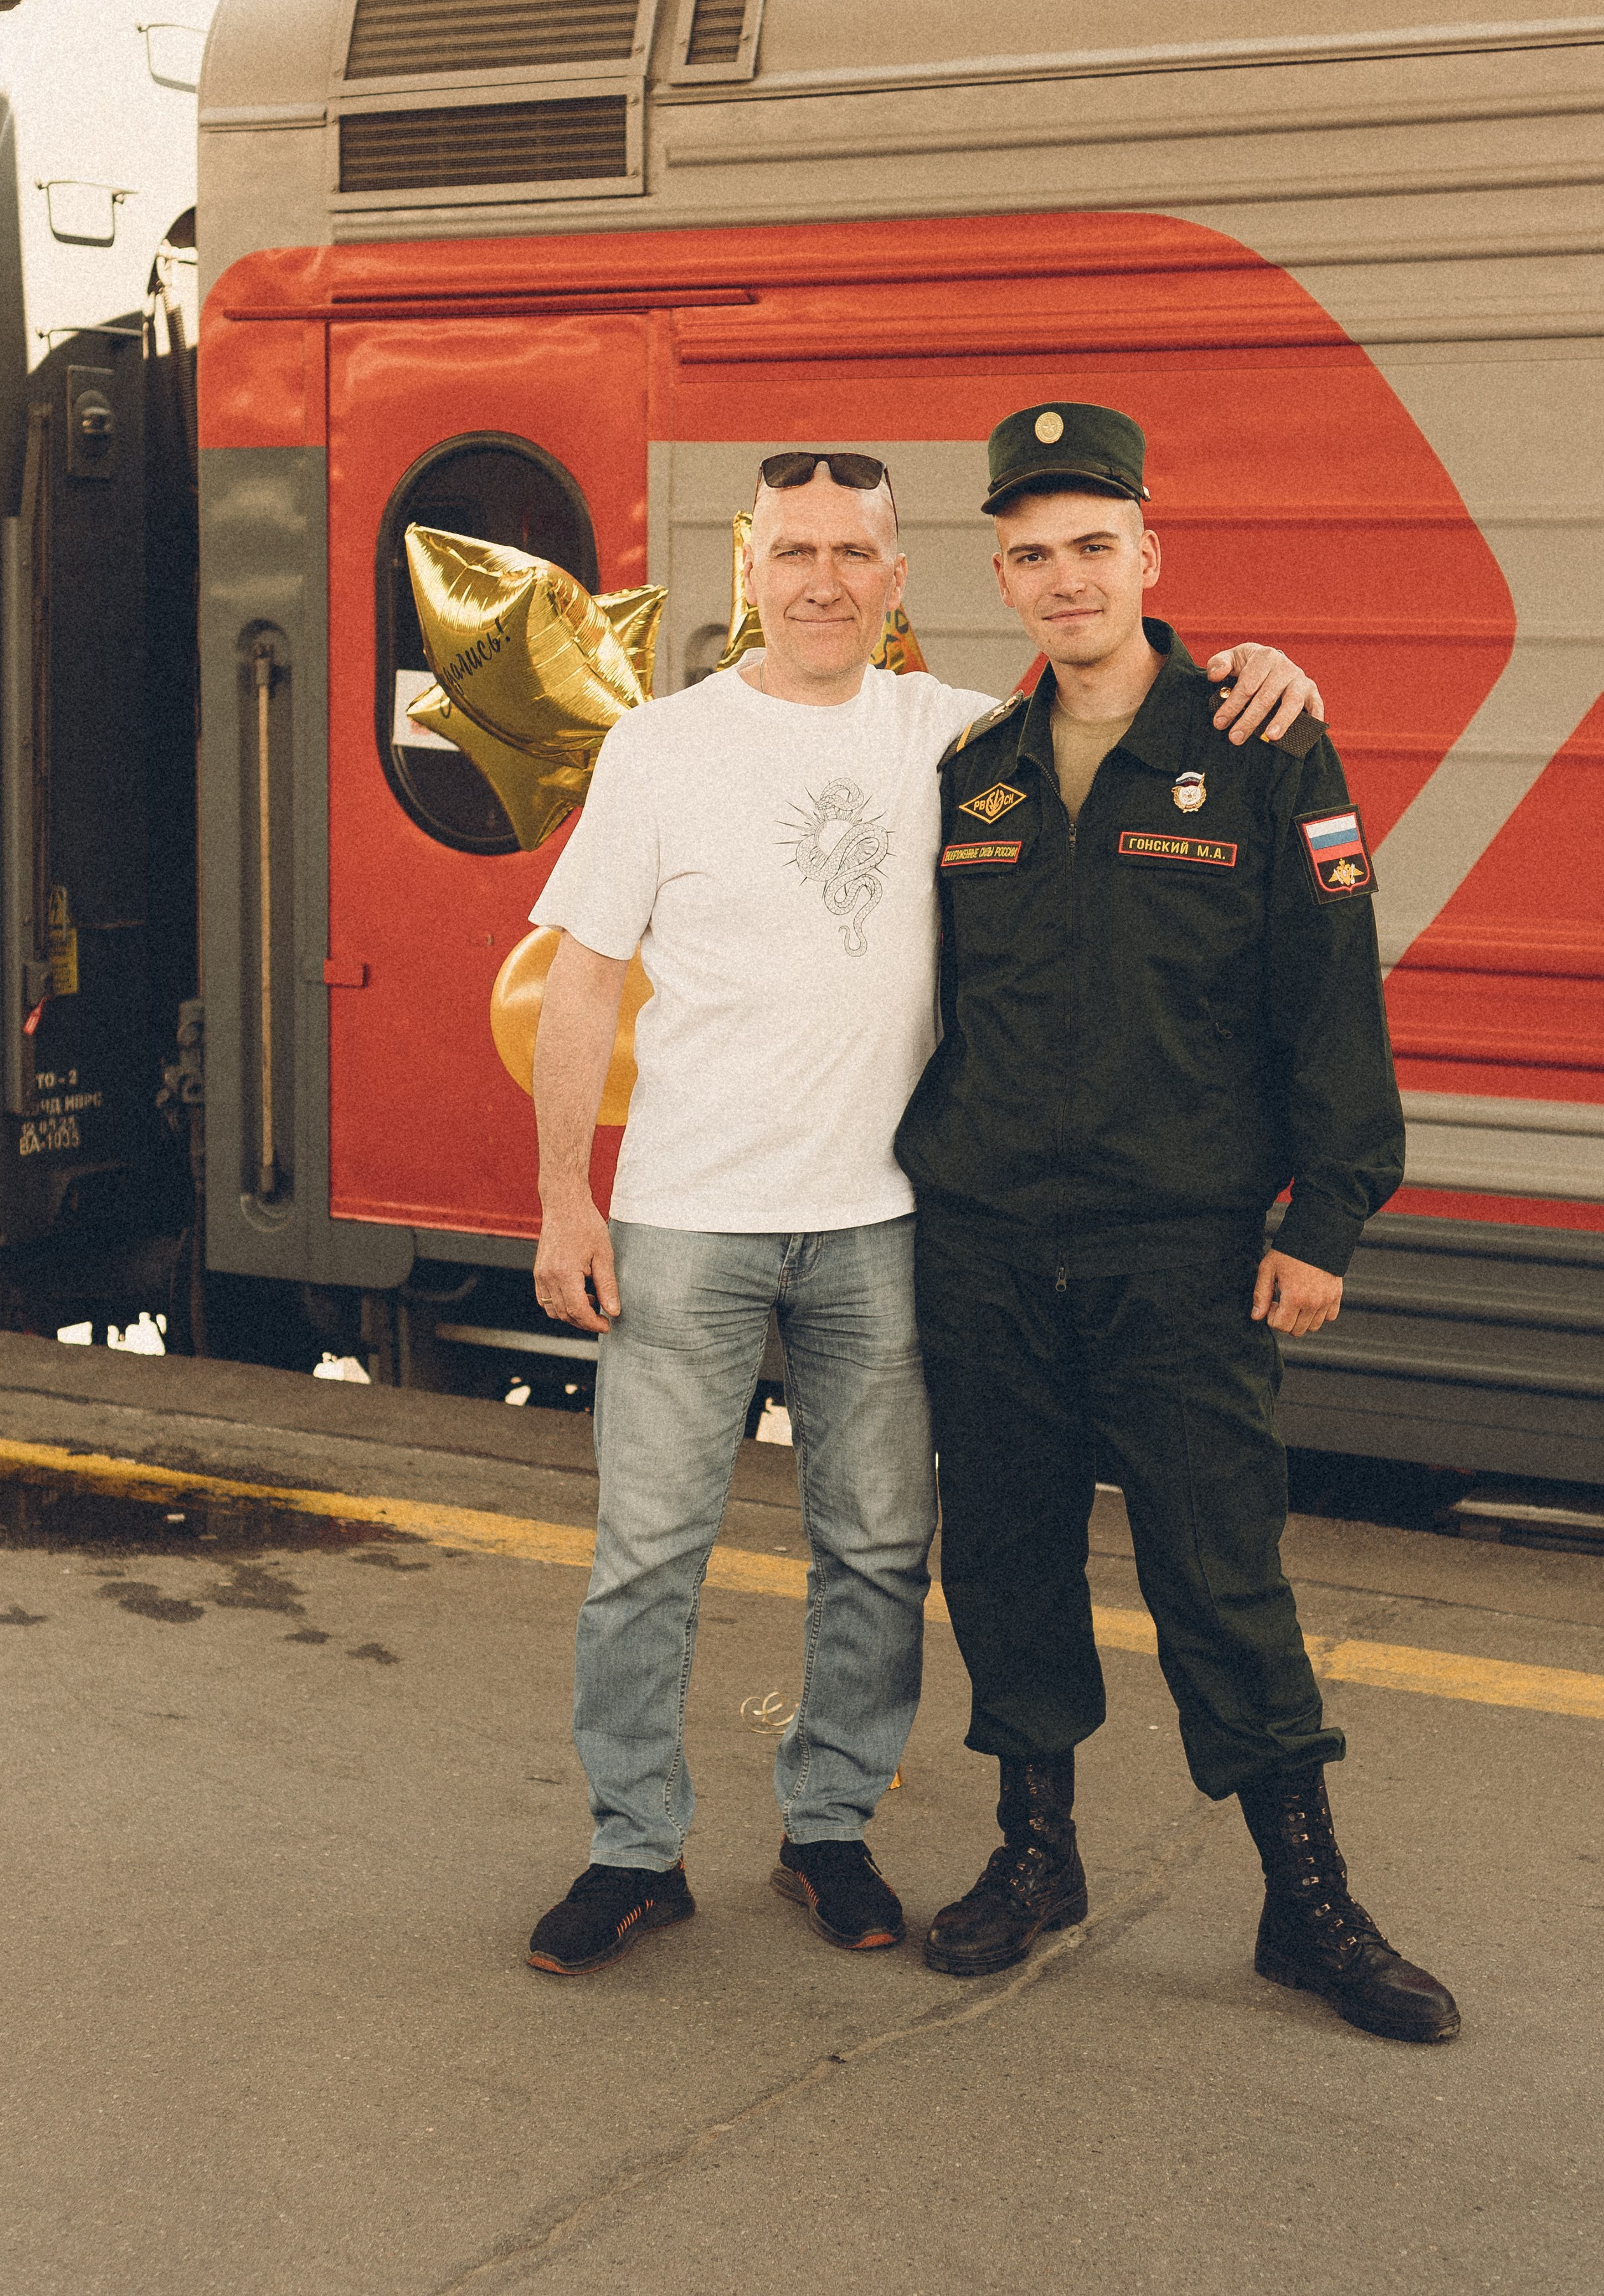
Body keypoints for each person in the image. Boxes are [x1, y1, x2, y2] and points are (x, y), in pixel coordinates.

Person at [522, 448, 1323, 1977]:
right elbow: (582, 980)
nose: (821, 580)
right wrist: (568, 1197)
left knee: (880, 1550)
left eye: (854, 554)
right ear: (749, 570)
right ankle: (632, 1846)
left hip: (888, 1221)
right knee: (645, 1556)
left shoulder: (959, 735)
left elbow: (1114, 699)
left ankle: (826, 1828)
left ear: (897, 581)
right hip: (685, 1214)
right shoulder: (661, 746)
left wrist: (1255, 672)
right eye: (793, 551)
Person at [894, 403, 1459, 2044]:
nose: (1063, 579)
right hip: (988, 1244)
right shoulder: (973, 772)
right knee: (1004, 1556)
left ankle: (1306, 1904)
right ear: (1001, 580)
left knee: (1219, 1574)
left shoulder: (1266, 745)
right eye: (1029, 556)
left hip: (1182, 1250)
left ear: (1147, 554)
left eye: (1091, 545)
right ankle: (1035, 1855)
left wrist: (1325, 1218)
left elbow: (1329, 999)